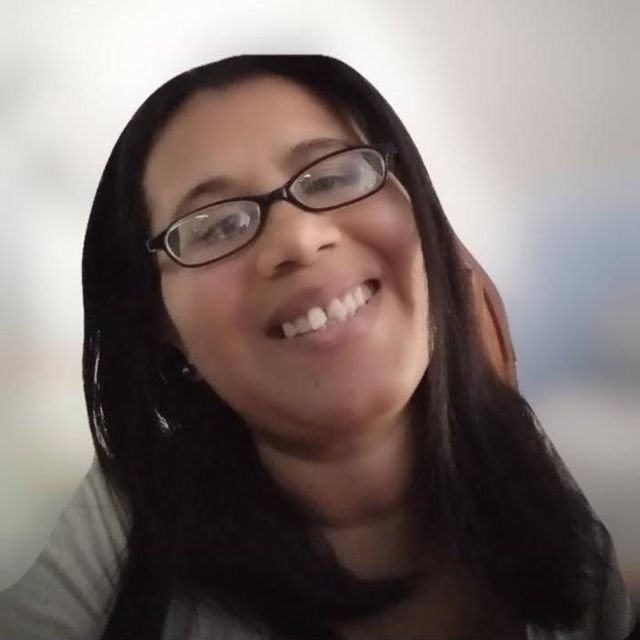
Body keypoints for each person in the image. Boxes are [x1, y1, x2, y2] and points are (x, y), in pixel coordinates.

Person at [0, 54, 635, 640]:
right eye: (216, 225)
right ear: (163, 325)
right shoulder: (123, 534)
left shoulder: (534, 476)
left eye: (332, 177)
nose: (299, 241)